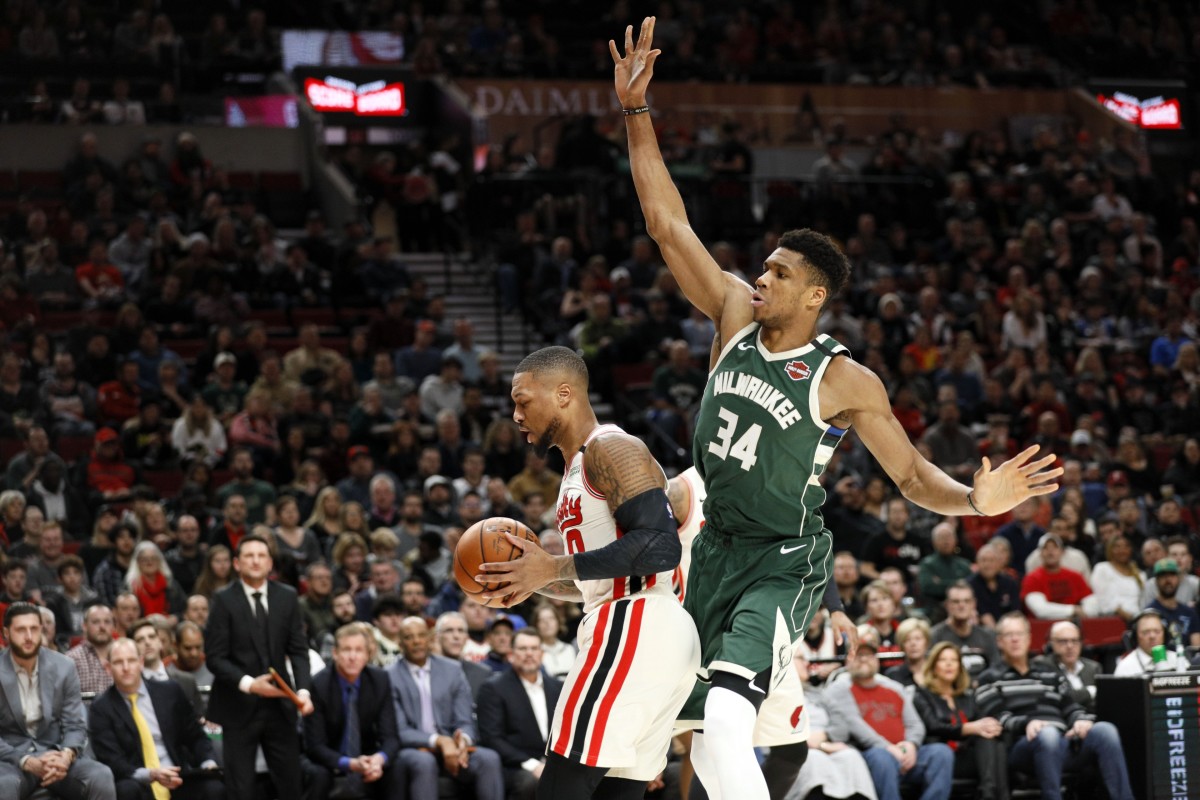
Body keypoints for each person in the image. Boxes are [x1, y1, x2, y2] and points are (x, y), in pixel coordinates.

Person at [612, 18, 1061, 800]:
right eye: (764, 267)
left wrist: (974, 501)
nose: (761, 278)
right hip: (713, 548)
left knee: (723, 720)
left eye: (779, 274)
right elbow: (667, 224)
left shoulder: (843, 378)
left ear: (815, 295)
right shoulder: (733, 318)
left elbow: (914, 479)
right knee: (707, 746)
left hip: (784, 559)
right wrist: (635, 113)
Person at [473, 346, 701, 799]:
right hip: (647, 627)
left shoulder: (610, 448)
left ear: (563, 394)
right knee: (616, 793)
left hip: (635, 623)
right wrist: (535, 580)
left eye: (523, 401)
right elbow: (606, 573)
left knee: (560, 784)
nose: (516, 415)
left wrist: (553, 565)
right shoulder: (576, 469)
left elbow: (660, 547)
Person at [976, 612, 1134, 800]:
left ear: (1029, 639)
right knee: (1047, 733)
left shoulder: (1049, 674)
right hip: (1022, 748)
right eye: (1009, 635)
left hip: (1063, 743)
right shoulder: (989, 677)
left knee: (1104, 730)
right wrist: (1027, 723)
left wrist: (1081, 720)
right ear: (999, 641)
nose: (1015, 639)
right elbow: (996, 718)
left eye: (1020, 634)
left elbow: (1070, 707)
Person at [204, 535, 314, 800]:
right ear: (237, 564)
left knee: (291, 785)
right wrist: (250, 684)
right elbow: (215, 657)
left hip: (280, 705)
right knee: (240, 789)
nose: (255, 560)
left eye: (261, 555)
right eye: (249, 556)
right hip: (238, 705)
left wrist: (304, 692)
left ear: (270, 563)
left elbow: (298, 651)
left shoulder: (287, 597)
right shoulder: (223, 599)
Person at [0, 602, 117, 800]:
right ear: (6, 633)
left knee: (100, 775)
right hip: (11, 761)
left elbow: (75, 723)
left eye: (34, 629)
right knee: (3, 785)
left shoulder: (64, 666)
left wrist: (66, 755)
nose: (29, 636)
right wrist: (24, 760)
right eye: (21, 630)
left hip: (55, 755)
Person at [825, 625, 953, 800]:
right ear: (848, 660)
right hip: (870, 755)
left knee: (941, 753)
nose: (863, 660)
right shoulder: (839, 689)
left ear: (877, 660)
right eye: (858, 655)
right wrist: (889, 748)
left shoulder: (894, 688)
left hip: (905, 753)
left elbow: (915, 724)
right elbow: (856, 726)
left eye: (868, 655)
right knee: (881, 757)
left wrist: (911, 746)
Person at [88, 637, 221, 800]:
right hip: (138, 781)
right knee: (126, 790)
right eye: (118, 662)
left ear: (141, 663)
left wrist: (208, 763)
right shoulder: (101, 708)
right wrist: (151, 774)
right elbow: (112, 760)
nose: (126, 668)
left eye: (131, 660)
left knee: (214, 788)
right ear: (108, 668)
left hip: (178, 775)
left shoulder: (169, 691)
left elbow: (196, 736)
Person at [387, 616, 503, 800]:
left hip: (452, 748)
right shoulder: (389, 676)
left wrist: (462, 740)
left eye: (421, 635)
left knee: (489, 759)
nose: (416, 641)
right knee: (423, 762)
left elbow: (465, 720)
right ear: (400, 643)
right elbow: (399, 731)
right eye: (409, 637)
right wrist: (439, 741)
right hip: (413, 749)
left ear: (430, 638)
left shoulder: (453, 670)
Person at [304, 622, 404, 800]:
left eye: (359, 650)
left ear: (368, 655)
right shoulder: (319, 684)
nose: (352, 656)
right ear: (335, 653)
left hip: (366, 754)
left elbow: (391, 737)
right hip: (326, 756)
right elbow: (315, 746)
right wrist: (350, 764)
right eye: (346, 650)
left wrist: (378, 760)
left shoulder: (379, 680)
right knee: (318, 774)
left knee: (397, 767)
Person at [476, 627, 565, 800]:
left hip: (552, 762)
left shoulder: (558, 687)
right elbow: (492, 738)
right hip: (514, 765)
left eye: (534, 648)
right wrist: (532, 765)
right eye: (523, 649)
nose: (529, 654)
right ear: (511, 654)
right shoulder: (494, 688)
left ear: (542, 653)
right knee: (530, 782)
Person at [912, 642, 1008, 800]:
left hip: (969, 757)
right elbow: (933, 726)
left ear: (960, 667)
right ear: (933, 666)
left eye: (954, 660)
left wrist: (992, 727)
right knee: (986, 740)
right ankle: (991, 794)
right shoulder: (922, 694)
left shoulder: (967, 697)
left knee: (993, 741)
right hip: (942, 758)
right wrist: (969, 728)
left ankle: (990, 793)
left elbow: (982, 722)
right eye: (943, 660)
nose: (949, 664)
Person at [127, 619, 203, 721]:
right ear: (132, 648)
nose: (147, 642)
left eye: (152, 637)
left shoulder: (187, 681)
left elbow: (200, 722)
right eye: (140, 640)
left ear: (160, 642)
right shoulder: (129, 687)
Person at [1031, 620, 1101, 712]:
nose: (1070, 646)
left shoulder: (1093, 667)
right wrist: (1090, 691)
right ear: (1052, 643)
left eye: (1075, 640)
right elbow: (1061, 699)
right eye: (1063, 641)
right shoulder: (1043, 666)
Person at [1020, 533, 1094, 620]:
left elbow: (1091, 601)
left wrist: (1087, 612)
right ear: (1040, 553)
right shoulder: (1032, 578)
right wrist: (1073, 610)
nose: (1050, 552)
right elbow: (1040, 610)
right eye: (1046, 548)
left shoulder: (1075, 576)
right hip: (1043, 627)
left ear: (1062, 552)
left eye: (1054, 547)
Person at [929, 582, 1000, 671]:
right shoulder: (934, 636)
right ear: (947, 605)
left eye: (967, 601)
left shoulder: (987, 636)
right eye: (956, 601)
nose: (962, 606)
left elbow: (996, 670)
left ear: (974, 604)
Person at [1145, 558, 1200, 647]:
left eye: (1171, 575)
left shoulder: (1189, 613)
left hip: (1186, 659)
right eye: (1163, 576)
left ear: (1178, 579)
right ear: (1156, 581)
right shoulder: (1149, 614)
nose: (1168, 580)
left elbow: (1196, 649)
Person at [1113, 610, 1186, 676]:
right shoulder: (1125, 667)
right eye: (1145, 632)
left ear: (1165, 634)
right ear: (1136, 636)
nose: (1152, 636)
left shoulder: (1178, 660)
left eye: (1157, 631)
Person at [66, 604, 116, 695]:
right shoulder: (71, 659)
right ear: (84, 626)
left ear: (113, 626)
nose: (102, 627)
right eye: (96, 622)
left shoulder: (125, 655)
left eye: (107, 622)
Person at [884, 617, 931, 687]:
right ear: (901, 645)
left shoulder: (937, 672)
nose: (913, 644)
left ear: (926, 642)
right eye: (907, 640)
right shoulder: (893, 675)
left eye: (918, 639)